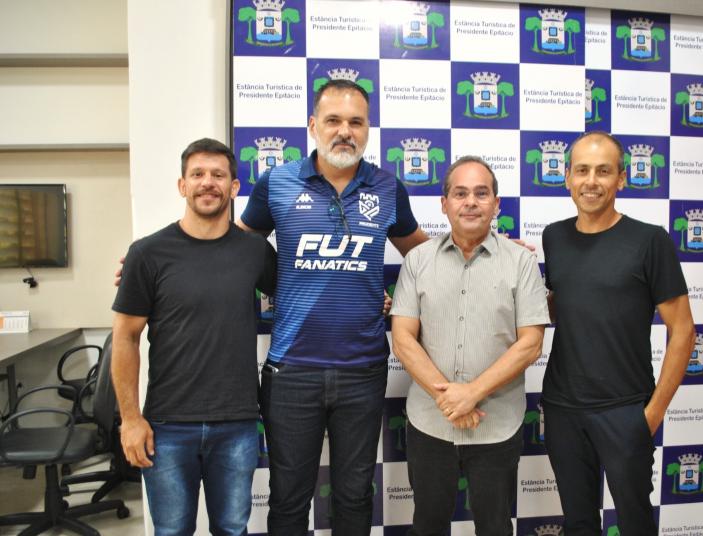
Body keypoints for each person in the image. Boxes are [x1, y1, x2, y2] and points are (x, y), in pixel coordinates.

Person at [236, 79, 428, 535]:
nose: (345, 131)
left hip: (362, 369)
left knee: (355, 494)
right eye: (333, 121)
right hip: (291, 371)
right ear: (312, 126)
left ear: (368, 130)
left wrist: (495, 250)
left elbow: (424, 257)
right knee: (287, 497)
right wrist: (160, 258)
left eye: (356, 122)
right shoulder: (277, 183)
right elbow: (232, 250)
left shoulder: (387, 186)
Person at [112, 138, 277, 535]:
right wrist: (130, 420)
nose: (208, 183)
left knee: (232, 529)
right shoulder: (147, 254)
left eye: (218, 175)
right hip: (167, 425)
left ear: (234, 187)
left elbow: (305, 292)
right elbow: (125, 339)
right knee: (171, 532)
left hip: (237, 422)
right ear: (182, 185)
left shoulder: (256, 252)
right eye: (197, 174)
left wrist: (372, 302)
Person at [541, 131, 695, 535]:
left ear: (621, 179)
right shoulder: (553, 237)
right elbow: (564, 308)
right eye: (582, 170)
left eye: (603, 171)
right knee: (578, 522)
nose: (591, 181)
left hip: (625, 408)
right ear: (567, 178)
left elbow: (683, 330)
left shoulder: (649, 240)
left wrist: (652, 413)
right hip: (563, 407)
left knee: (635, 522)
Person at [390, 156, 550, 536]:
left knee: (494, 527)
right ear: (444, 204)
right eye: (460, 193)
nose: (471, 202)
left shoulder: (521, 263)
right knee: (428, 525)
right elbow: (402, 339)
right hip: (430, 424)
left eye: (482, 193)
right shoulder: (417, 261)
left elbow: (531, 343)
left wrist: (471, 394)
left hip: (496, 426)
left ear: (496, 204)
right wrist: (450, 399)